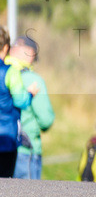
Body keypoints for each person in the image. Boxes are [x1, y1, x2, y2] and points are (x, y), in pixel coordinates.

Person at [8, 36, 55, 180]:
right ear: (29, 52)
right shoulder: (33, 79)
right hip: (25, 150)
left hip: (5, 146)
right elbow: (46, 120)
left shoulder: (3, 73)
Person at [0, 26, 36, 178]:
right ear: (6, 47)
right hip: (6, 139)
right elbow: (21, 101)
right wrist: (30, 94)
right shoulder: (11, 72)